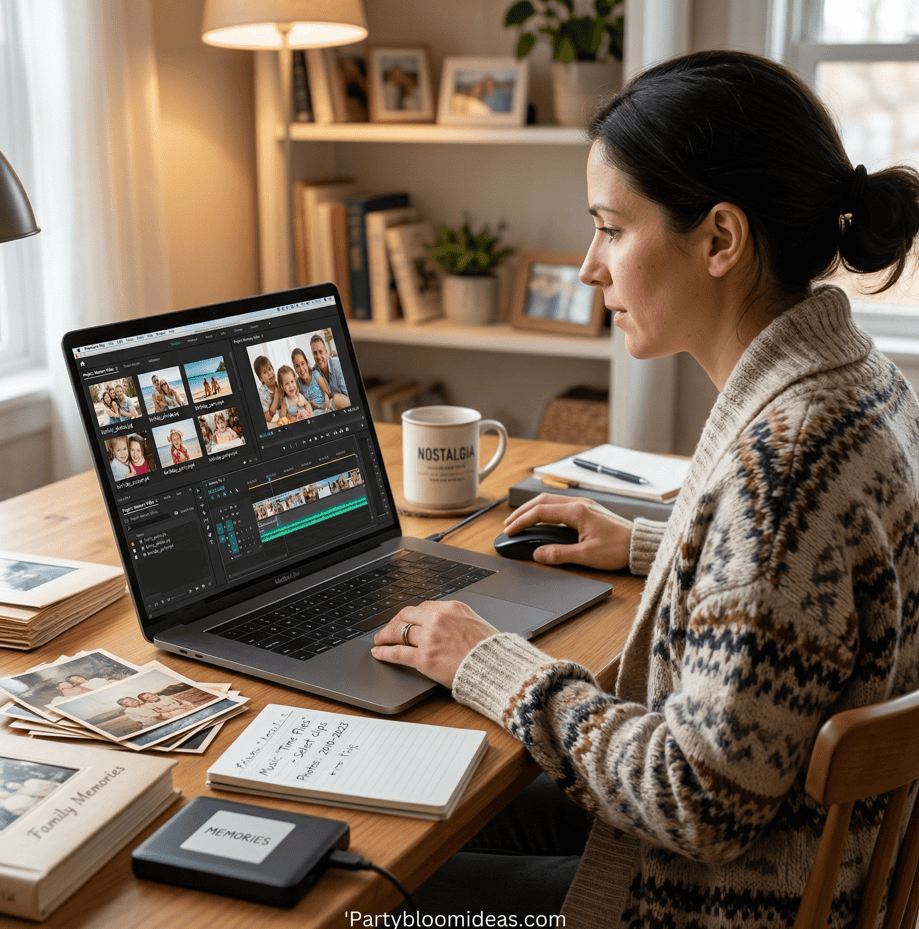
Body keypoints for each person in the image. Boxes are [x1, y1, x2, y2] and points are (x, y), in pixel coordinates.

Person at [370, 50, 919, 928]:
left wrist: (490, 661)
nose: (590, 267)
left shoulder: (779, 465)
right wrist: (646, 542)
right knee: (438, 796)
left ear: (719, 239)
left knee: (370, 890)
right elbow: (817, 592)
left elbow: (697, 798)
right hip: (822, 860)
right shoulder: (861, 382)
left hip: (720, 899)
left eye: (610, 229)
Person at [309, 335, 350, 410]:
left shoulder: (336, 364)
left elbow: (348, 395)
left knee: (336, 398)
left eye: (320, 351)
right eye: (315, 353)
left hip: (346, 404)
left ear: (326, 352)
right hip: (331, 410)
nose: (318, 356)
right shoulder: (314, 372)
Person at [292, 347, 333, 412]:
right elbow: (295, 399)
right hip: (312, 414)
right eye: (297, 366)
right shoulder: (298, 383)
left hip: (324, 409)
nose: (301, 368)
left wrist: (326, 408)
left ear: (307, 363)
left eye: (303, 363)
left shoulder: (315, 375)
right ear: (295, 369)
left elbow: (327, 393)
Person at [253, 355, 284, 424]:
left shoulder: (280, 383)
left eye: (270, 369)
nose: (269, 373)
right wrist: (276, 395)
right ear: (260, 378)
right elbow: (268, 418)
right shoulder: (261, 393)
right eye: (264, 372)